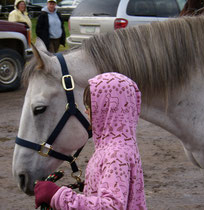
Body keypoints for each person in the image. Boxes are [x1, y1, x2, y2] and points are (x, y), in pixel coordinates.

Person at [34, 72, 147, 210]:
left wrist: (57, 196)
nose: (86, 112)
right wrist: (92, 188)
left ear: (109, 108)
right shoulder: (119, 144)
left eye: (91, 106)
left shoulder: (116, 154)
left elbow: (112, 206)